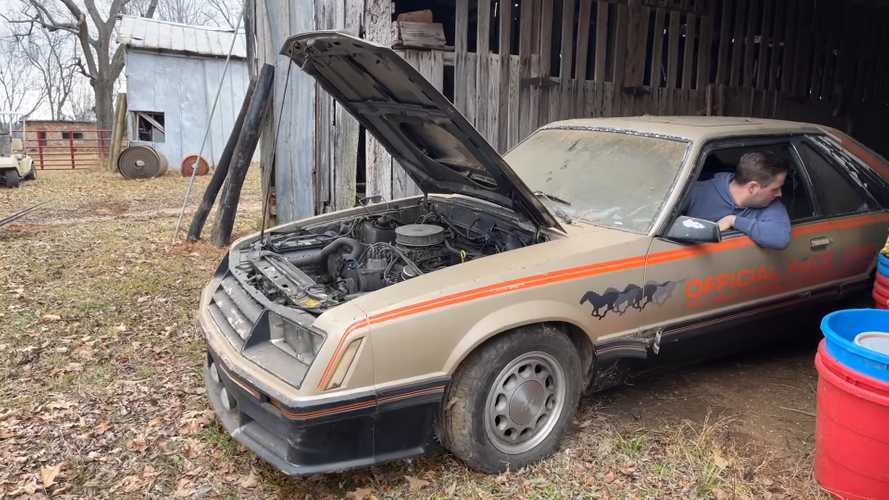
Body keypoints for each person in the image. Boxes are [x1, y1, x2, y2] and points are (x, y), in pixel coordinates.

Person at [684, 151, 791, 250]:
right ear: (752, 187)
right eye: (775, 189)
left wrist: (733, 220)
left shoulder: (771, 205)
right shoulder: (696, 192)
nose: (780, 194)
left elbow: (780, 239)